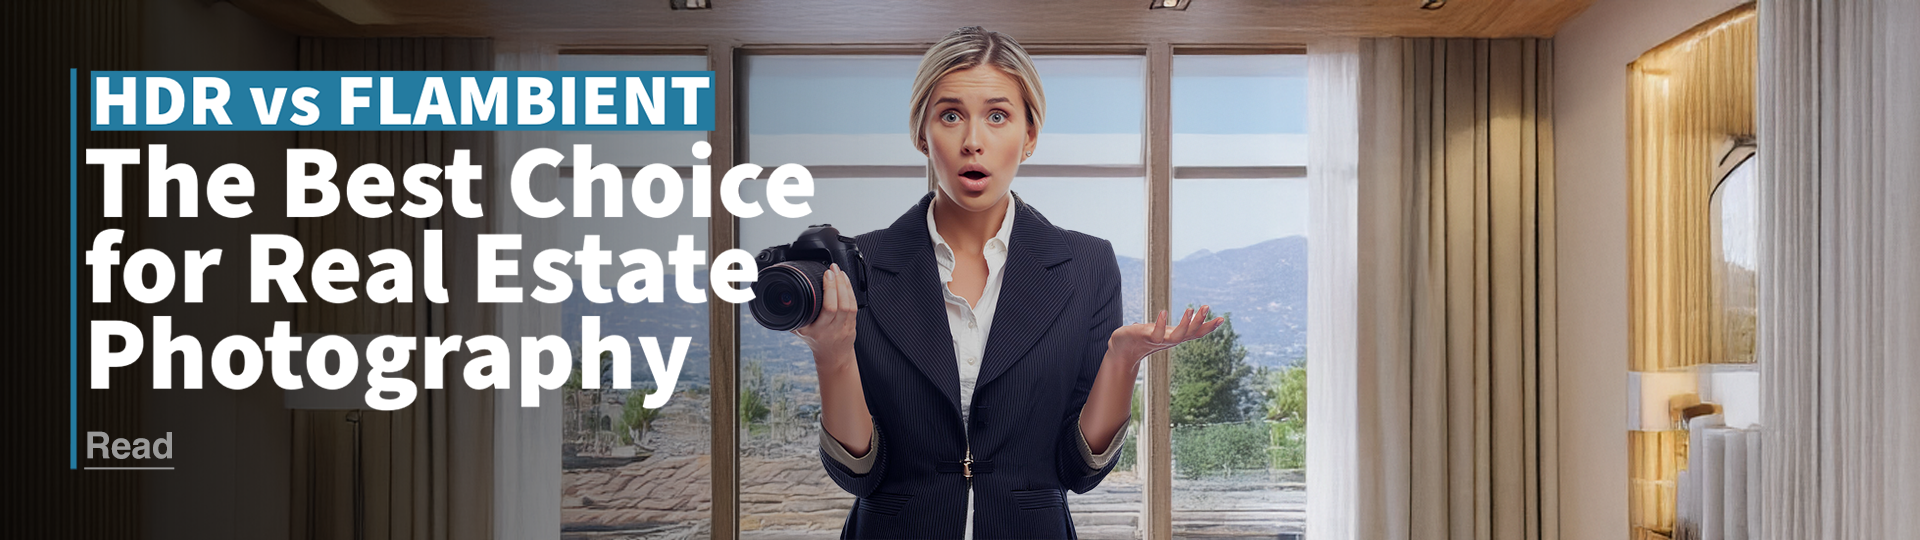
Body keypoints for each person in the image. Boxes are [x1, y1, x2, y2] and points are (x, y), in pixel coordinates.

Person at [791, 26, 1225, 539]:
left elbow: (1078, 471)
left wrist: (1122, 361)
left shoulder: (1087, 265)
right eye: (950, 116)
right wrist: (833, 355)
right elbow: (856, 472)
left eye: (998, 116)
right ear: (921, 134)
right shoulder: (860, 264)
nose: (974, 141)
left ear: (1030, 136)